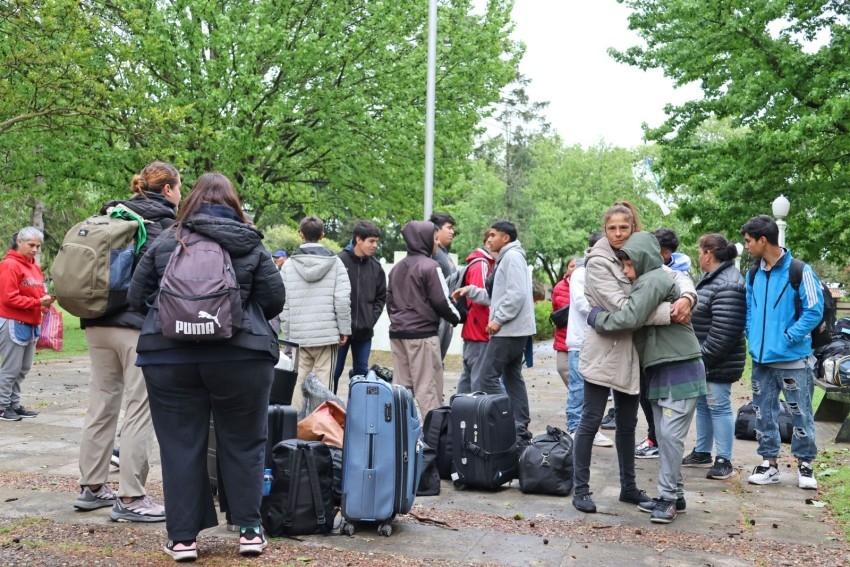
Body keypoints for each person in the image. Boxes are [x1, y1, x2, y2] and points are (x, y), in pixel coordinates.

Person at [128, 172, 285, 561]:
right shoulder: (249, 242)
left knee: (179, 444)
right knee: (245, 441)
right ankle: (249, 531)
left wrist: (176, 316)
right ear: (233, 203)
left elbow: (136, 295)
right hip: (241, 357)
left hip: (169, 358)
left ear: (190, 201)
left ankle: (183, 539)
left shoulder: (167, 239)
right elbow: (274, 299)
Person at [572, 202, 696, 515]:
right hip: (604, 349)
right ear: (605, 230)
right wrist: (670, 312)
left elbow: (673, 276)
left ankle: (628, 488)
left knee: (628, 424)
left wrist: (686, 297)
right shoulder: (598, 262)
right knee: (590, 419)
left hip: (634, 352)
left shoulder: (640, 252)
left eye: (623, 228)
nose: (617, 233)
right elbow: (626, 309)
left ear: (633, 228)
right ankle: (580, 489)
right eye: (611, 228)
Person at [74, 161, 181, 522]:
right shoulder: (163, 225)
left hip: (96, 321)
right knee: (139, 408)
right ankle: (132, 496)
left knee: (101, 403)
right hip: (135, 327)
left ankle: (92, 486)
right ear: (167, 189)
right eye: (179, 188)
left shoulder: (110, 214)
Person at [740, 214, 821, 490]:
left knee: (801, 414)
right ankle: (769, 464)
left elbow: (814, 311)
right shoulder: (753, 273)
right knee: (763, 413)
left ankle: (805, 465)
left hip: (793, 360)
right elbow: (749, 308)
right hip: (761, 360)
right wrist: (752, 334)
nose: (747, 246)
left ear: (763, 240)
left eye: (749, 241)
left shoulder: (800, 270)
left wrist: (789, 337)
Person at [453, 221, 536, 443]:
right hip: (514, 331)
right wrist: (470, 290)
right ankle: (519, 426)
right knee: (512, 377)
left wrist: (498, 319)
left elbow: (516, 295)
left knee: (485, 377)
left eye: (493, 235)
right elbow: (496, 297)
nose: (489, 240)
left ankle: (504, 421)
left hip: (509, 331)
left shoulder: (512, 257)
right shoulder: (506, 257)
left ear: (505, 238)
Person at [681, 233, 746, 479]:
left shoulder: (728, 283)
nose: (699, 256)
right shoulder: (712, 278)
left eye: (700, 252)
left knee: (718, 406)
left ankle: (724, 459)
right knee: (704, 405)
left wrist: (702, 358)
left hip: (717, 360)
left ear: (708, 254)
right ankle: (702, 451)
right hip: (704, 358)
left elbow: (724, 332)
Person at [387, 220, 460, 420]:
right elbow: (441, 300)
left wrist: (398, 321)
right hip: (422, 336)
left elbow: (389, 301)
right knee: (428, 389)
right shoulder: (430, 266)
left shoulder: (396, 268)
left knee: (401, 389)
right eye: (434, 239)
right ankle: (433, 434)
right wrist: (457, 317)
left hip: (398, 334)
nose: (437, 243)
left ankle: (400, 432)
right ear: (424, 240)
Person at [635, 228, 693, 459]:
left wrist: (686, 300)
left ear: (665, 253)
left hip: (665, 351)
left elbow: (635, 312)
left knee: (661, 403)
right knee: (647, 396)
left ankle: (657, 440)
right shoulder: (649, 271)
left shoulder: (672, 275)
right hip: (647, 349)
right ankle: (655, 437)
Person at [281, 215, 351, 397]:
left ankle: (295, 416)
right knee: (324, 386)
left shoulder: (288, 265)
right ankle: (320, 416)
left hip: (298, 334)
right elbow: (342, 299)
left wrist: (288, 333)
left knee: (297, 383)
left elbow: (283, 304)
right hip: (327, 335)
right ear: (322, 235)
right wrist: (344, 329)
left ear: (301, 234)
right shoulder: (336, 263)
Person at [0, 227, 54, 422]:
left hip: (30, 322)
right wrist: (37, 302)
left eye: (38, 246)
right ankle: (1, 406)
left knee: (22, 368)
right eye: (31, 245)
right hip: (13, 321)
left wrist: (44, 301)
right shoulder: (9, 265)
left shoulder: (34, 267)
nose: (35, 249)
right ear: (19, 242)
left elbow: (36, 292)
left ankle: (13, 404)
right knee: (11, 369)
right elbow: (8, 298)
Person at [565, 234, 613, 447]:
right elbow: (582, 304)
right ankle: (575, 428)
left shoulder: (608, 271)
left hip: (600, 339)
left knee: (595, 388)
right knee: (578, 387)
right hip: (580, 340)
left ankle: (590, 429)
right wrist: (610, 314)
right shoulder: (581, 273)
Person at [333, 220, 386, 393]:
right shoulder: (339, 262)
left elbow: (381, 297)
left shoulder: (376, 267)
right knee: (334, 372)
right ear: (358, 239)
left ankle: (358, 407)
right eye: (371, 241)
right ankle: (329, 408)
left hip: (364, 332)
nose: (375, 245)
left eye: (376, 241)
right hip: (339, 332)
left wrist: (370, 319)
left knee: (362, 375)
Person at [456, 230, 497, 394]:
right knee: (479, 382)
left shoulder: (482, 263)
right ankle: (476, 410)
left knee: (468, 379)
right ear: (488, 243)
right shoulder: (482, 264)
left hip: (473, 330)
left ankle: (459, 407)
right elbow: (481, 297)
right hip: (479, 331)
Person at [430, 212, 457, 361]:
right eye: (449, 227)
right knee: (431, 362)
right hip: (436, 316)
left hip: (447, 316)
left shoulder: (444, 253)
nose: (452, 232)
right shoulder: (431, 253)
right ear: (437, 229)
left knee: (438, 362)